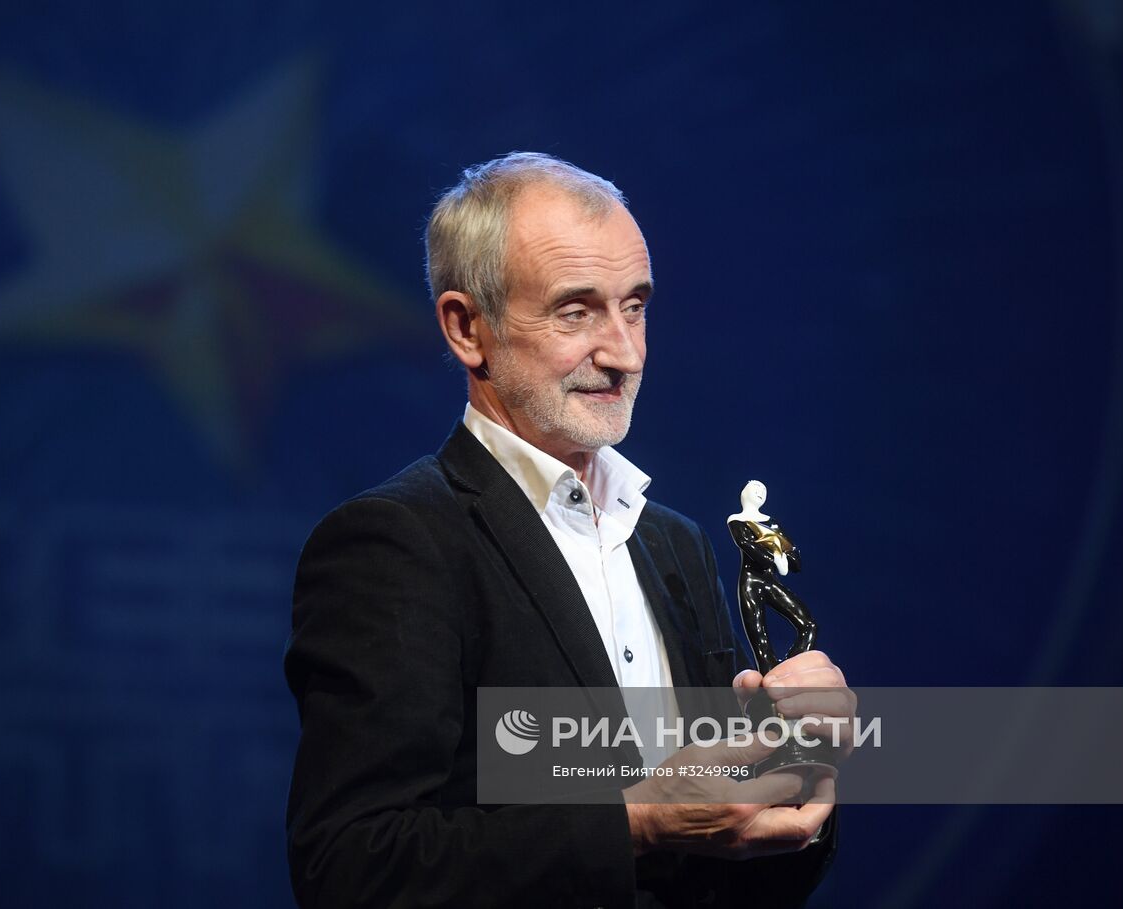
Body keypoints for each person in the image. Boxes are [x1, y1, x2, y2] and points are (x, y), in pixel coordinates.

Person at [284, 152, 851, 908]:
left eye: (635, 306)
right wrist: (639, 820)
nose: (624, 353)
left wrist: (792, 770)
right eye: (576, 312)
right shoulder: (396, 544)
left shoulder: (674, 545)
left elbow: (730, 864)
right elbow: (351, 867)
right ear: (467, 328)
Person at [727, 480, 819, 677]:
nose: (760, 491)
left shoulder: (772, 522)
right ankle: (770, 678)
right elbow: (748, 545)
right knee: (760, 641)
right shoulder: (736, 520)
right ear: (744, 492)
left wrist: (785, 558)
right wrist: (776, 558)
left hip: (771, 581)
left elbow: (793, 556)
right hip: (751, 582)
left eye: (763, 489)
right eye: (755, 488)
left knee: (808, 624)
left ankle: (790, 670)